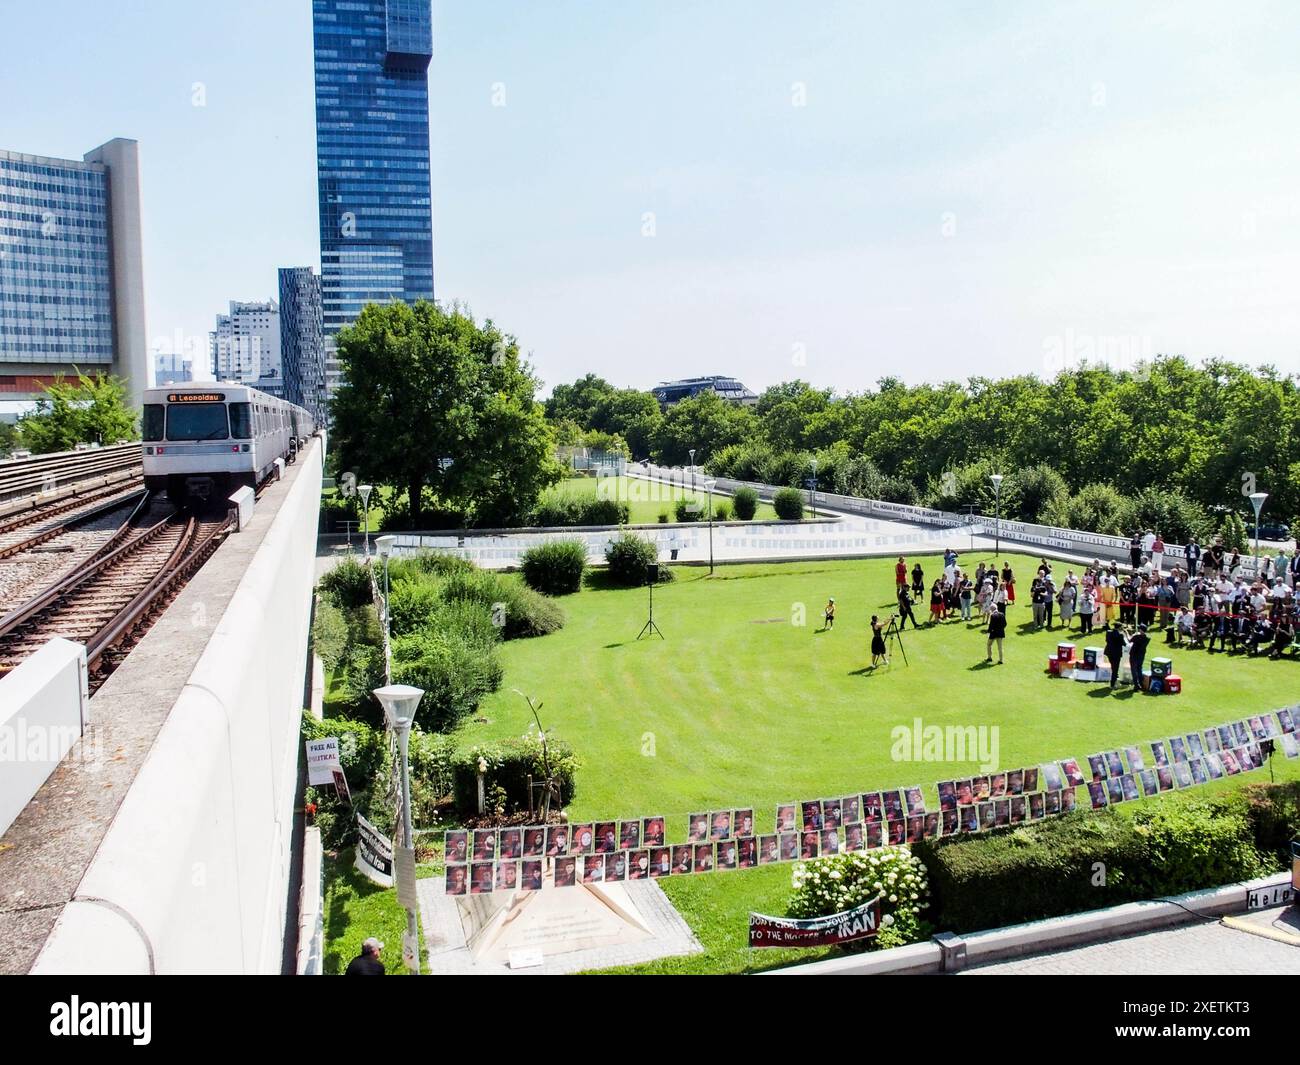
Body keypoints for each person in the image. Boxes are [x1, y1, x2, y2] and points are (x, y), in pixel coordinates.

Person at [1103, 622, 1126, 689]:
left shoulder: (1108, 632)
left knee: (1113, 667)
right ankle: (1112, 685)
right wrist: (1124, 634)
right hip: (1116, 654)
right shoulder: (1120, 635)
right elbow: (1124, 644)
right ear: (1119, 628)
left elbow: (1106, 640)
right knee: (1115, 669)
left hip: (1109, 652)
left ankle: (1115, 680)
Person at [1129, 624, 1150, 690]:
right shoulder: (1147, 638)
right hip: (1141, 655)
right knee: (1139, 669)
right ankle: (1141, 684)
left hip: (1134, 655)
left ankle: (1136, 685)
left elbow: (1129, 640)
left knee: (1133, 670)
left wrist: (1127, 633)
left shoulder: (1136, 637)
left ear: (1141, 630)